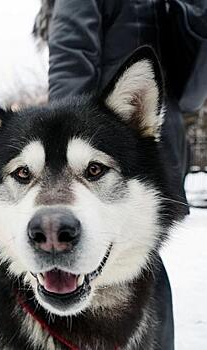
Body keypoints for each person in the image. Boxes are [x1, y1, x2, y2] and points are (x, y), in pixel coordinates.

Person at [33, 1, 199, 347]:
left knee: (116, 258)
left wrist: (63, 145)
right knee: (138, 255)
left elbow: (71, 49)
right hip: (150, 134)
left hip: (108, 140)